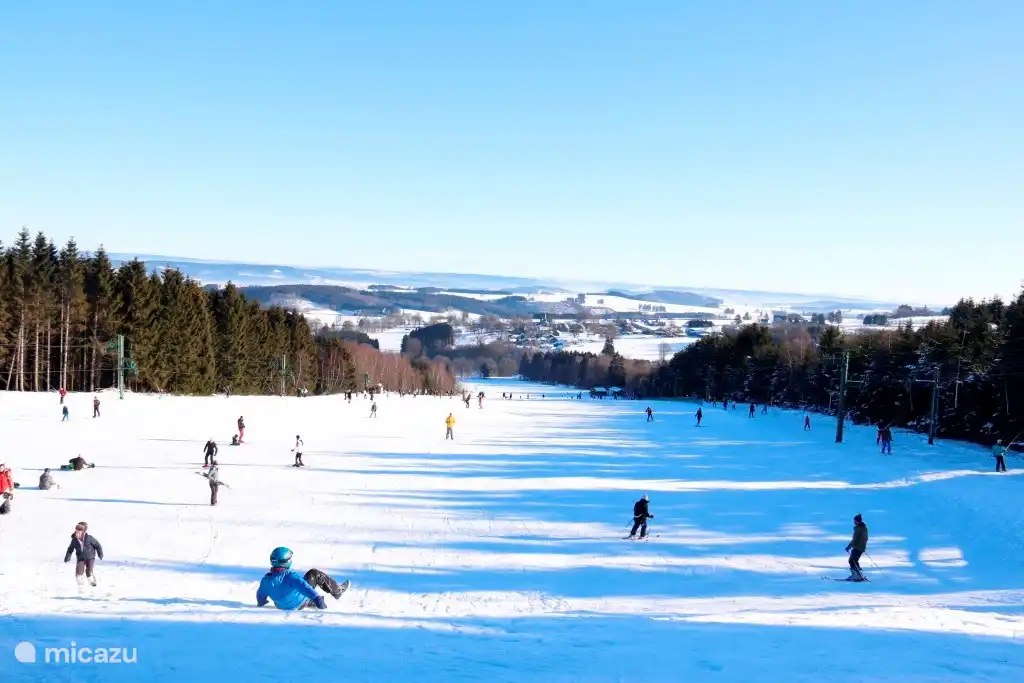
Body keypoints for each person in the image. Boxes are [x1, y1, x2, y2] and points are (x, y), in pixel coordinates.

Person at [257, 547, 349, 610]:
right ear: (286, 562)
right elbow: (305, 587)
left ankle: (311, 601)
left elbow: (260, 595)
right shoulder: (290, 576)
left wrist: (261, 602)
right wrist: (318, 600)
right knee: (314, 573)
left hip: (281, 606)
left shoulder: (266, 580)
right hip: (300, 603)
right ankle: (338, 591)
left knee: (293, 589)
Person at [64, 522, 103, 586]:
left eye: (79, 533)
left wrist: (100, 554)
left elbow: (97, 545)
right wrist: (67, 557)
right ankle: (81, 586)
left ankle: (93, 584)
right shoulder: (74, 540)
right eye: (76, 532)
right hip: (80, 558)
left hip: (90, 558)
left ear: (83, 532)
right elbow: (70, 549)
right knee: (78, 574)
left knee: (89, 573)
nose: (77, 534)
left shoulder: (89, 538)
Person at [845, 514, 868, 581]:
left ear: (857, 521)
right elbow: (865, 538)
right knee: (854, 561)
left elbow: (855, 540)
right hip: (860, 548)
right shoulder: (863, 528)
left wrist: (848, 547)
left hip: (857, 548)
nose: (854, 522)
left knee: (851, 561)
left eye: (854, 520)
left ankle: (856, 575)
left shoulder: (859, 529)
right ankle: (859, 575)